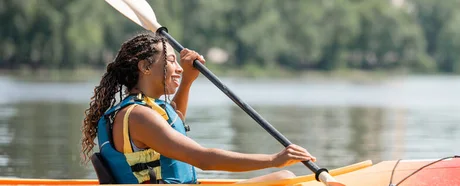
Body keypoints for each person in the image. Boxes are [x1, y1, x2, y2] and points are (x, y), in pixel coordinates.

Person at [81, 33, 316, 184]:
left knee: (285, 178)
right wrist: (274, 159)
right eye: (171, 61)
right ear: (145, 67)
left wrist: (188, 82)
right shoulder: (139, 116)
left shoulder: (142, 110)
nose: (179, 67)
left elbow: (174, 123)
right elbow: (202, 159)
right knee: (284, 177)